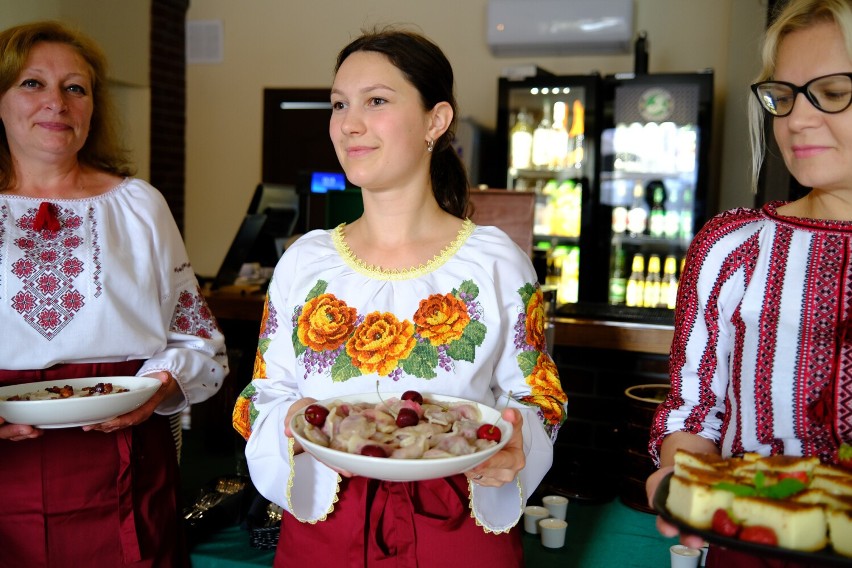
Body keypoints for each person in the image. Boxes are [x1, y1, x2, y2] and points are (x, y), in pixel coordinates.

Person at [232, 27, 567, 567]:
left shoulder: (494, 261)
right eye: (339, 104)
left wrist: (515, 442)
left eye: (377, 101)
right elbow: (261, 396)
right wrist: (297, 419)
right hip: (326, 527)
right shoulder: (304, 261)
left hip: (460, 526)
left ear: (436, 120)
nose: (349, 124)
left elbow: (539, 397)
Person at [0, 21, 228, 567]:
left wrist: (162, 382)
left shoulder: (138, 205)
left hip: (124, 463)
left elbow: (196, 336)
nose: (56, 102)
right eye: (32, 84)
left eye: (75, 88)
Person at [645, 0, 852, 566]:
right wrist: (680, 477)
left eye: (832, 93)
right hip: (752, 547)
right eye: (783, 97)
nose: (797, 120)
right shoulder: (732, 246)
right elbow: (693, 411)